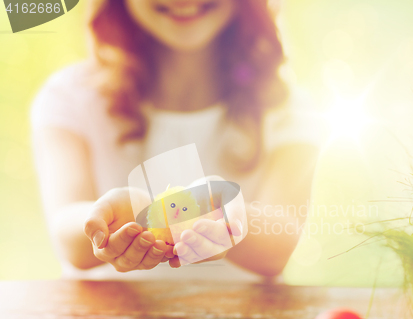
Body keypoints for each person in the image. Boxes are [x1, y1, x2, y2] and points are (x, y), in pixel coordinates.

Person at [31, 0, 321, 280]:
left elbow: (279, 245)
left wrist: (224, 216)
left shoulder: (288, 107)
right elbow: (66, 233)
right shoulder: (69, 98)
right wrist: (109, 221)